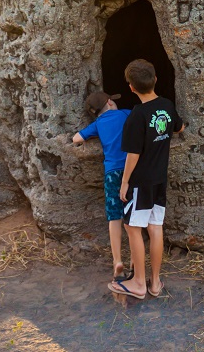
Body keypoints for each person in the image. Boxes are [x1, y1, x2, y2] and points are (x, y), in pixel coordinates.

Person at [108, 59, 184, 300]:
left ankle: (139, 283)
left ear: (131, 87)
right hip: (159, 179)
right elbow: (178, 129)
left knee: (132, 227)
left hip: (140, 181)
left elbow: (133, 153)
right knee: (155, 227)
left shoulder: (137, 116)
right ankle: (155, 282)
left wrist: (125, 182)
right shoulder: (167, 105)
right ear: (156, 80)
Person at [71, 91, 131, 282]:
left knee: (114, 217)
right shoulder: (124, 114)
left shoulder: (98, 124)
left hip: (112, 172)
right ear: (110, 102)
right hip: (131, 170)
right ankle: (135, 263)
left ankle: (117, 261)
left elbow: (76, 138)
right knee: (132, 217)